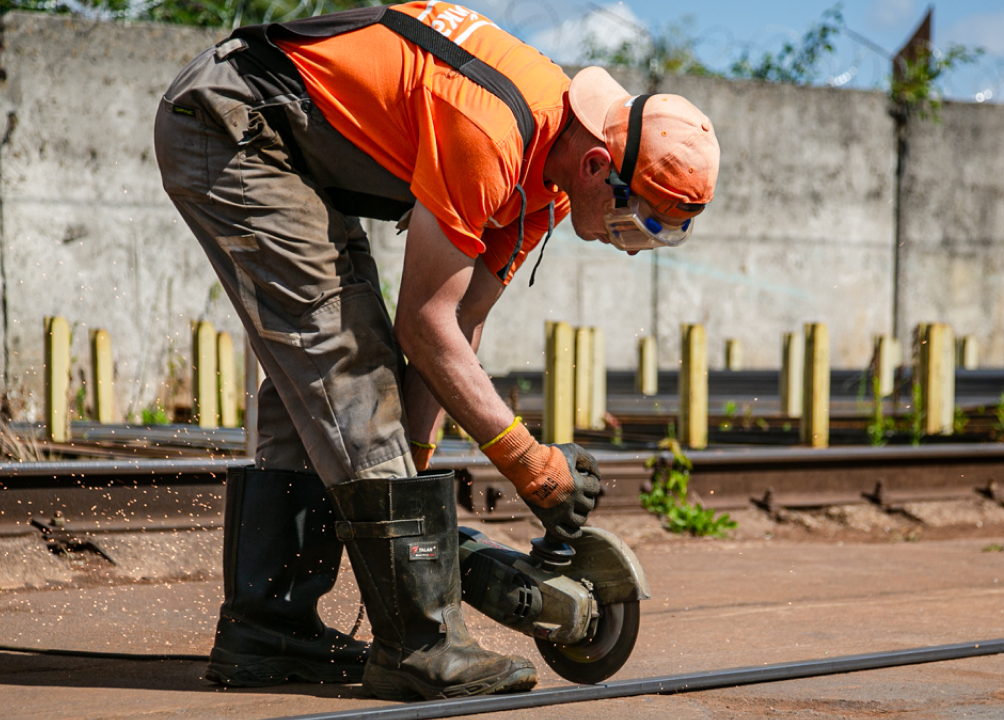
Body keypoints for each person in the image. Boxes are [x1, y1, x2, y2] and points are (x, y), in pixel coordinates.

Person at [153, 0, 719, 702]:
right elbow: (424, 325)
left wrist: (406, 478)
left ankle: (269, 631)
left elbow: (459, 326)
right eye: (634, 221)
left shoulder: (548, 182)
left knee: (329, 380)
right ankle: (420, 646)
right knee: (348, 362)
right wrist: (530, 463)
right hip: (234, 124)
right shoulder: (496, 132)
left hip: (289, 149)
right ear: (601, 163)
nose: (625, 243)